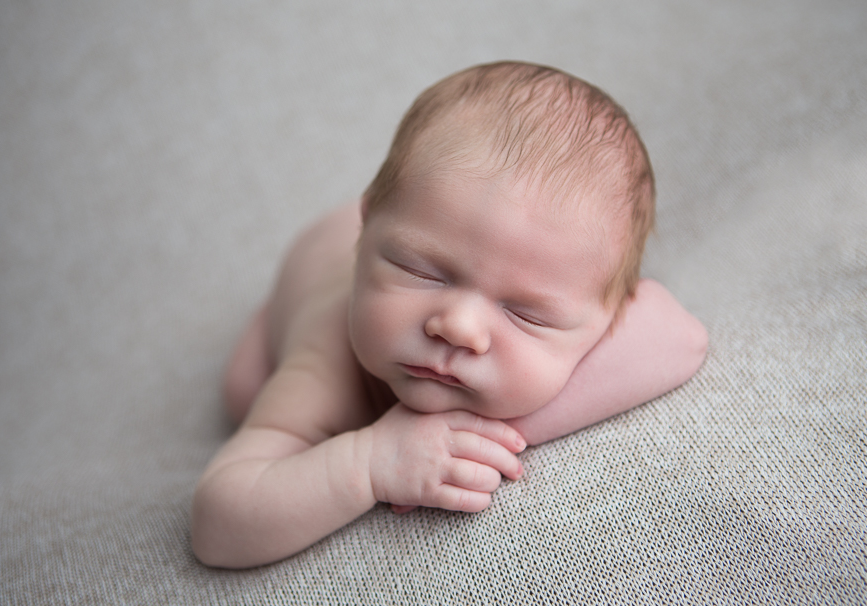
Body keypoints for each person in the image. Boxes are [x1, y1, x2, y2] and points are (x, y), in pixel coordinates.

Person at [192, 62, 708, 568]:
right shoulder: (325, 367)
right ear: (366, 230)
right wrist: (370, 462)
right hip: (309, 268)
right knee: (244, 391)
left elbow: (679, 337)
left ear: (610, 315)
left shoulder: (577, 289)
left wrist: (473, 433)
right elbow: (218, 525)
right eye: (419, 271)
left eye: (525, 314)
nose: (458, 326)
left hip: (434, 221)